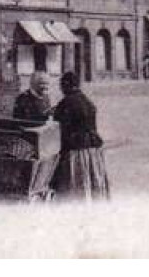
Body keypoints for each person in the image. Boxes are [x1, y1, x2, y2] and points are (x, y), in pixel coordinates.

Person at [47, 72, 110, 202]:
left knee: (75, 186)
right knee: (92, 183)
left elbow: (61, 129)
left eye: (62, 86)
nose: (61, 90)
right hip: (93, 150)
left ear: (66, 86)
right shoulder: (87, 100)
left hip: (76, 150)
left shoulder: (66, 103)